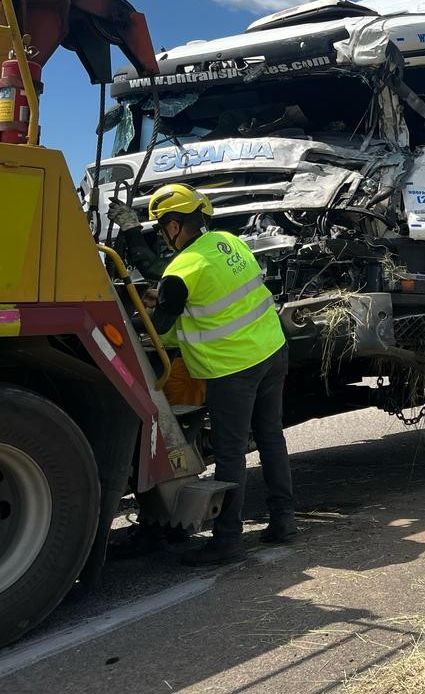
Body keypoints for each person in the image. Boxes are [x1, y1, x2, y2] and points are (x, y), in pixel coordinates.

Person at [108, 184, 296, 565]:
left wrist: (149, 311)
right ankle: (284, 521)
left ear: (175, 227)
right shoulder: (229, 241)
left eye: (162, 229)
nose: (162, 235)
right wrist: (166, 295)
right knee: (271, 437)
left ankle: (227, 540)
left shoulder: (181, 270)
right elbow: (207, 291)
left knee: (230, 455)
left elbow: (161, 327)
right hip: (273, 351)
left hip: (233, 367)